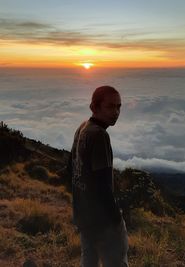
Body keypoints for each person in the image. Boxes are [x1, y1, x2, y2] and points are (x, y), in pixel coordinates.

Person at [70, 86, 129, 267]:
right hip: (103, 222)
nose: (116, 112)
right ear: (94, 107)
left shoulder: (82, 128)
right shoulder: (99, 136)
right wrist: (116, 219)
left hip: (84, 216)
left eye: (119, 106)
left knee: (89, 261)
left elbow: (71, 169)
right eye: (110, 106)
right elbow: (103, 186)